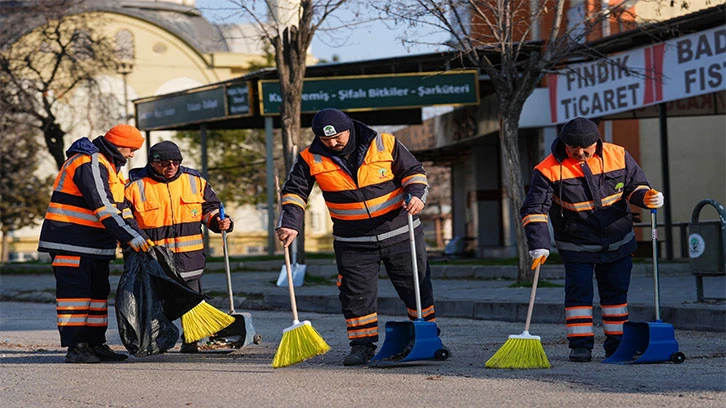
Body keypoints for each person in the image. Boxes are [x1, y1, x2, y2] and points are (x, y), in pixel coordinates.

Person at [276, 108, 437, 366]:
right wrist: (291, 223)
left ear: (349, 128)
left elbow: (413, 171)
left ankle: (428, 336)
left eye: (337, 137)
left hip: (400, 232)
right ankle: (362, 346)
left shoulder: (384, 143)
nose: (332, 143)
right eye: (325, 139)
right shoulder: (310, 157)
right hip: (352, 242)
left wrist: (417, 194)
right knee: (355, 295)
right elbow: (294, 192)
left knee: (416, 286)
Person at [520, 116, 664, 362]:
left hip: (618, 239)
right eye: (574, 148)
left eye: (585, 148)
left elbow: (635, 186)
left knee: (616, 297)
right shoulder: (547, 170)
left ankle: (618, 345)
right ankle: (580, 346)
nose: (580, 152)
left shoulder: (618, 155)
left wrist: (647, 197)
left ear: (596, 143)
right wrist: (539, 244)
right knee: (579, 296)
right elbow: (534, 209)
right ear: (565, 144)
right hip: (576, 243)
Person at [38, 124, 154, 364]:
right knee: (76, 296)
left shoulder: (109, 168)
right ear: (117, 144)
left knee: (97, 295)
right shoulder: (89, 162)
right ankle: (76, 346)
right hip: (70, 241)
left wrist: (137, 233)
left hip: (94, 244)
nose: (132, 155)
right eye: (131, 149)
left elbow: (122, 208)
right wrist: (129, 236)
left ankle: (95, 344)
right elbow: (102, 206)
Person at [124, 140, 232, 353]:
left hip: (189, 257)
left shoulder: (195, 180)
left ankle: (192, 341)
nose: (171, 166)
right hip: (156, 261)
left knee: (191, 303)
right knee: (155, 305)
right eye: (165, 163)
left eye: (176, 162)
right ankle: (153, 343)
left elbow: (210, 208)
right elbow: (126, 219)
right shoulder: (134, 185)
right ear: (153, 163)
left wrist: (219, 222)